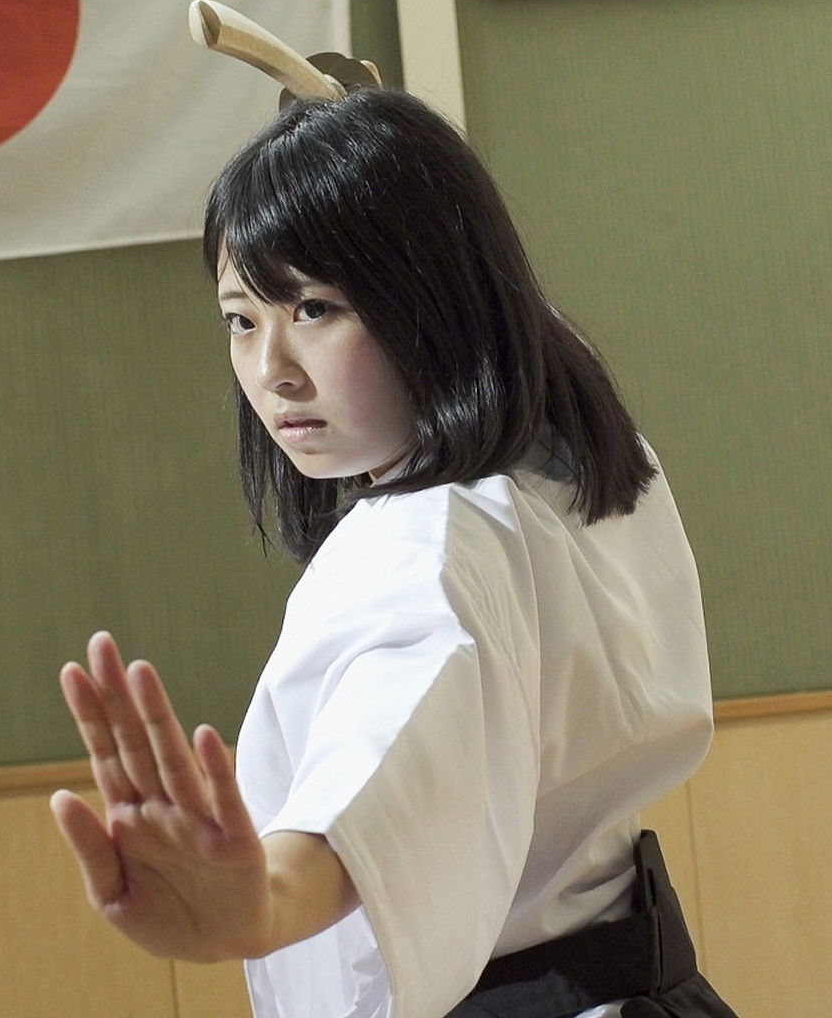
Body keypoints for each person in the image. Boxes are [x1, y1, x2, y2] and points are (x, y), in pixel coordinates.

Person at [48, 85, 736, 1018]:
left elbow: (388, 767)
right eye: (242, 318)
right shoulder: (566, 457)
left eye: (316, 309)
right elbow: (502, 302)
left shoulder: (424, 548)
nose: (272, 371)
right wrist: (376, 166)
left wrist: (264, 902)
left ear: (430, 302)